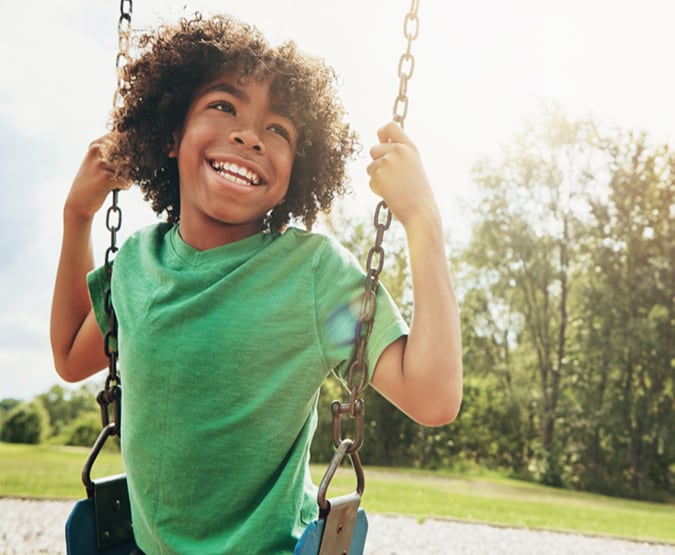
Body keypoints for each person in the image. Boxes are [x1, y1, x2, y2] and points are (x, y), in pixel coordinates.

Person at [50, 13, 462, 555]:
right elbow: (72, 357)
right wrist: (78, 214)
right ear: (172, 134)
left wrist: (423, 221)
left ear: (298, 170)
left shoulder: (313, 279)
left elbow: (432, 396)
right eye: (223, 106)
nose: (248, 135)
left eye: (279, 129)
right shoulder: (135, 263)